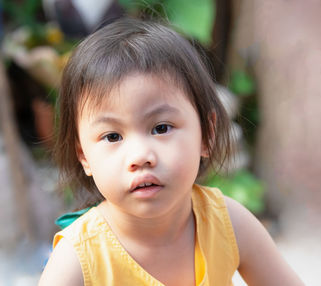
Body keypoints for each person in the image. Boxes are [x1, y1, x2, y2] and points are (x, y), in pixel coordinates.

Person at [39, 17, 304, 286]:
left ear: (207, 134)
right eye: (112, 136)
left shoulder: (228, 224)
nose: (140, 156)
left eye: (161, 128)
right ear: (84, 156)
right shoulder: (77, 260)